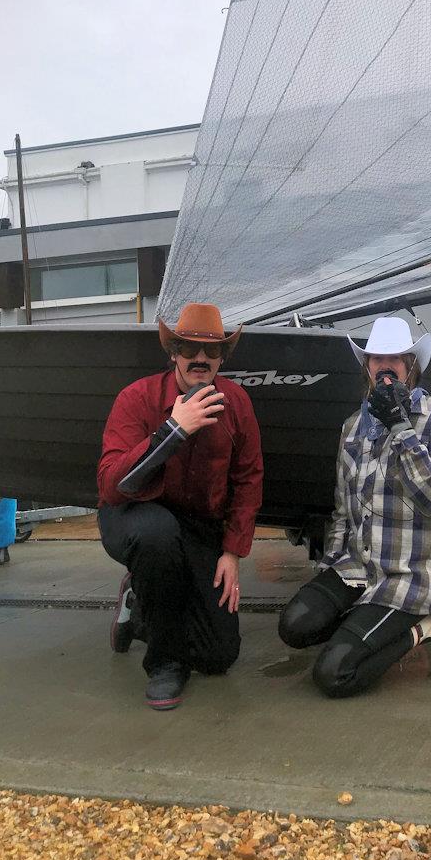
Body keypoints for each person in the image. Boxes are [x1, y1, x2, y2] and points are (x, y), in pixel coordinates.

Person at [278, 316, 431, 697]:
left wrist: (401, 428)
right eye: (377, 358)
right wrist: (330, 564)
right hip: (358, 567)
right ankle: (365, 624)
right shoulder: (352, 427)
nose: (385, 365)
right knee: (295, 625)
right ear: (367, 366)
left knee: (334, 675)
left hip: (408, 576)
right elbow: (342, 509)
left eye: (395, 358)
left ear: (411, 367)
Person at [98, 302, 263, 710]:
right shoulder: (136, 398)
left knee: (218, 655)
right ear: (172, 353)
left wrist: (231, 552)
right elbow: (112, 483)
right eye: (188, 348)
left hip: (195, 527)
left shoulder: (237, 403)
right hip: (133, 514)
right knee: (157, 536)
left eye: (211, 350)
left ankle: (139, 608)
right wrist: (173, 430)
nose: (200, 358)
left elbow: (248, 479)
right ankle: (165, 663)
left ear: (222, 358)